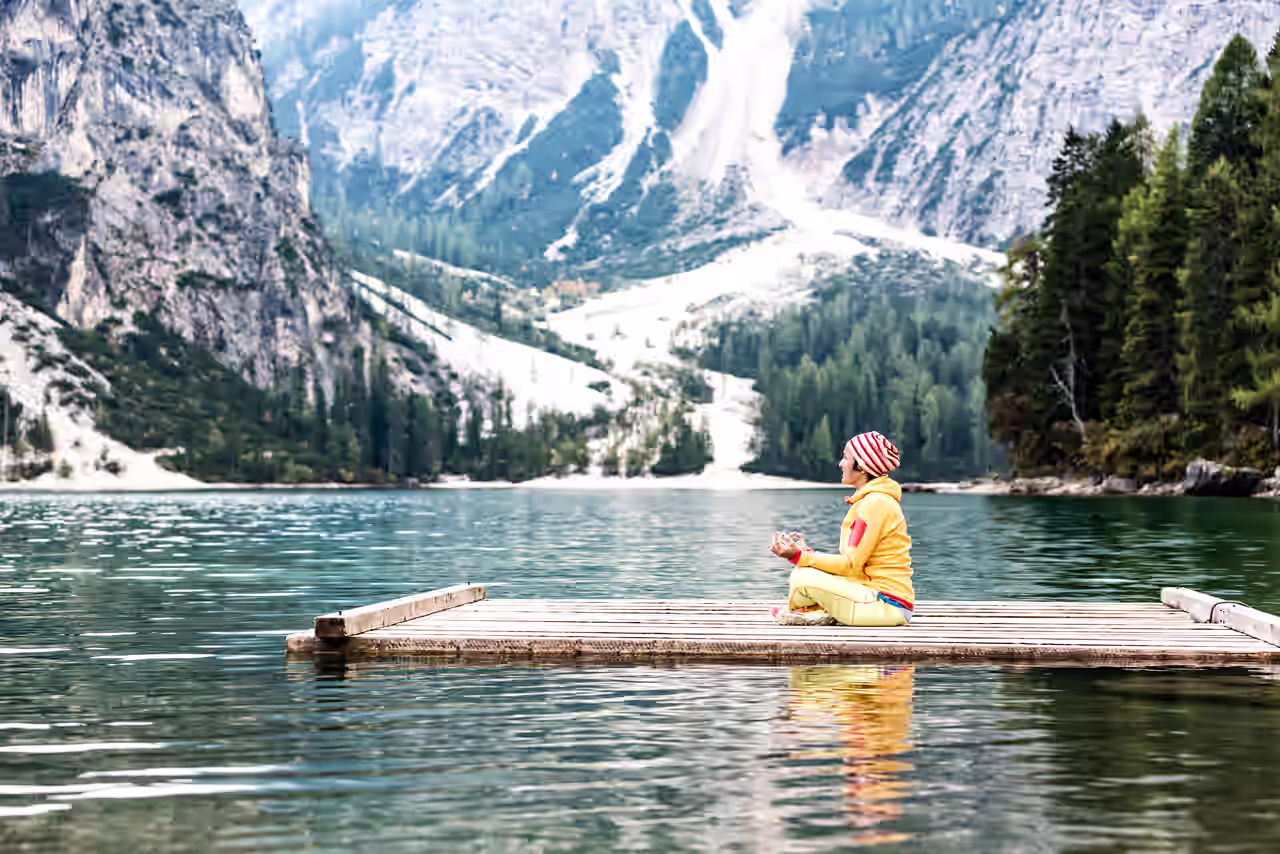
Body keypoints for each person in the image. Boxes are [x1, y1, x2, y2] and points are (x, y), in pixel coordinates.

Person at [768, 431, 914, 627]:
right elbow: (854, 567)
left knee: (802, 576)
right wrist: (807, 555)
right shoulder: (873, 501)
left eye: (846, 458)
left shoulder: (875, 504)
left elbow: (850, 565)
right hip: (876, 599)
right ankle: (817, 613)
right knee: (803, 571)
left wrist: (801, 556)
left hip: (886, 605)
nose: (841, 464)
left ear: (862, 467)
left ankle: (817, 613)